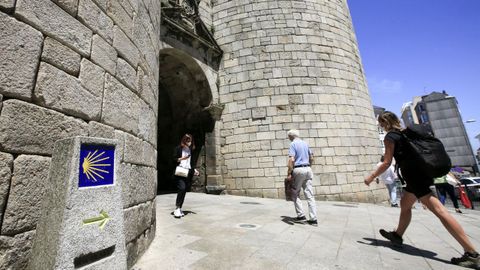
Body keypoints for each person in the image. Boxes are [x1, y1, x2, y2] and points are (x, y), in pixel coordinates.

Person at [364, 111, 479, 269]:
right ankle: (397, 235)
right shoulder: (408, 133)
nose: (380, 126)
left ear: (384, 123)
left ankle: (472, 253)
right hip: (422, 173)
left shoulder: (391, 137)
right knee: (405, 204)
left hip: (414, 176)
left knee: (439, 210)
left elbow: (386, 162)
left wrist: (371, 177)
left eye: (381, 124)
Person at [286, 129, 318, 226]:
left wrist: (289, 173)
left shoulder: (293, 144)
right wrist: (309, 166)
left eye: (289, 137)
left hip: (298, 169)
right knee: (310, 195)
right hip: (308, 168)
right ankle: (313, 219)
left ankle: (301, 216)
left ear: (291, 136)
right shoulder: (305, 143)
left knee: (295, 193)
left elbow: (291, 160)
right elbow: (312, 157)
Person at [172, 134, 199, 218]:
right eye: (187, 140)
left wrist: (194, 170)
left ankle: (179, 208)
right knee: (182, 188)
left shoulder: (191, 151)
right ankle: (177, 208)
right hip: (179, 172)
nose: (189, 142)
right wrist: (181, 159)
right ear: (184, 140)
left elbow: (191, 163)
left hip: (187, 173)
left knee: (184, 191)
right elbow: (173, 159)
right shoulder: (178, 148)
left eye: (190, 140)